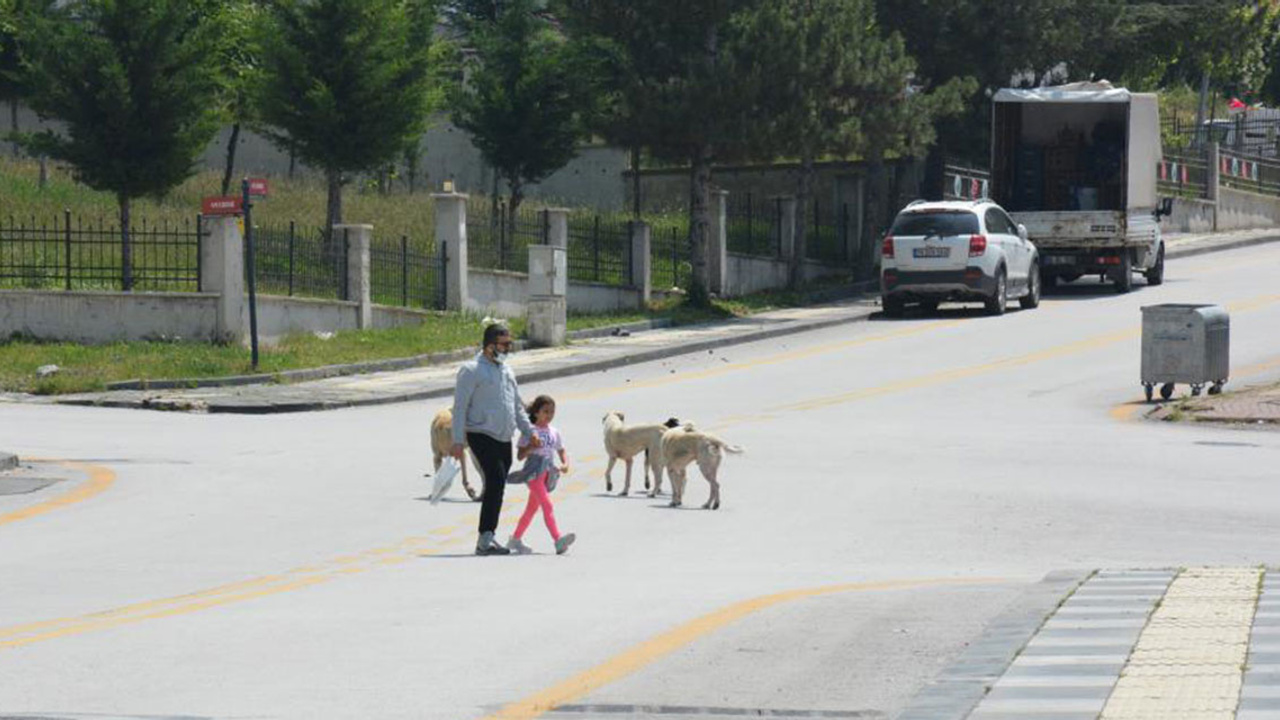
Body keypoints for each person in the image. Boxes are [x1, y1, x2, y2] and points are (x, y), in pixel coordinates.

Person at [451, 324, 539, 556]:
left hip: (503, 436)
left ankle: (488, 536)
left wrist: (531, 432)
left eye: (510, 344)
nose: (508, 348)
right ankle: (485, 538)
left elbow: (517, 406)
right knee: (496, 479)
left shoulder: (507, 371)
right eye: (504, 344)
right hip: (480, 433)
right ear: (490, 346)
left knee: (497, 484)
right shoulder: (471, 370)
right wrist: (458, 441)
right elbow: (459, 407)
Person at [506, 395, 575, 555]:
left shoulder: (554, 432)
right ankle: (558, 540)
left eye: (552, 412)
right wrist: (530, 446)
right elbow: (520, 456)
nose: (549, 415)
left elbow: (561, 450)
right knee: (547, 505)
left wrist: (565, 463)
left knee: (531, 510)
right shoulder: (530, 431)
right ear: (536, 413)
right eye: (545, 411)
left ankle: (515, 539)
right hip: (534, 473)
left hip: (547, 473)